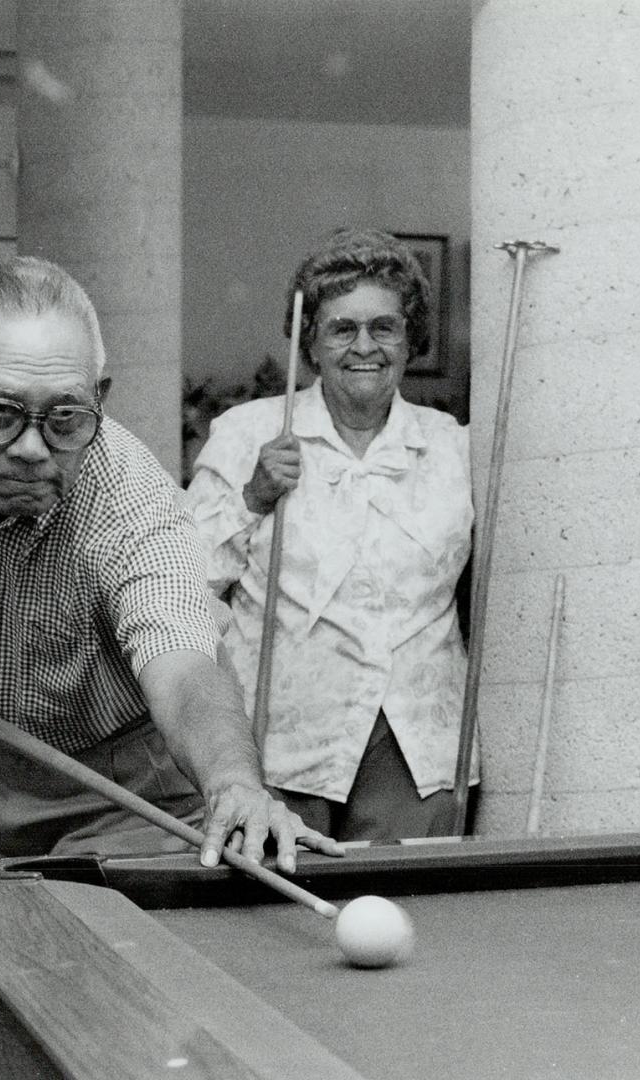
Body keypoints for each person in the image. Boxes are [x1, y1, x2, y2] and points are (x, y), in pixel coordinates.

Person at [0, 254, 337, 872]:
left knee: (95, 964)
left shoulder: (134, 506)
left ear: (99, 401)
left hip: (129, 798)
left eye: (65, 417)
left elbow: (186, 666)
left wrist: (234, 784)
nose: (32, 449)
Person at [183, 227, 475, 841]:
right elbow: (185, 574)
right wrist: (253, 497)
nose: (364, 346)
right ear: (310, 342)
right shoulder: (247, 432)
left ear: (409, 339)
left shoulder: (453, 446)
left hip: (418, 746)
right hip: (281, 738)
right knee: (273, 921)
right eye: (343, 328)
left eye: (384, 328)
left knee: (408, 917)